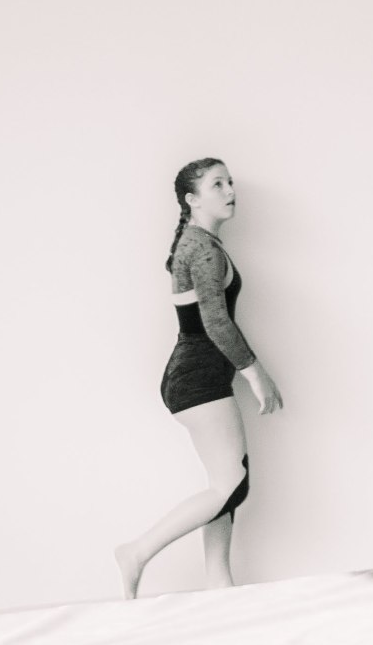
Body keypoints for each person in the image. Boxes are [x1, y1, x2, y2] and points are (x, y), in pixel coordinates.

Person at [115, 158, 283, 598]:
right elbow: (216, 323)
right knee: (232, 484)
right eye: (217, 185)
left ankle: (218, 582)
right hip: (198, 378)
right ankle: (136, 552)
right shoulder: (203, 249)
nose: (230, 191)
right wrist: (256, 374)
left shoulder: (196, 242)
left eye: (230, 182)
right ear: (192, 199)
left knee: (224, 483)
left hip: (194, 376)